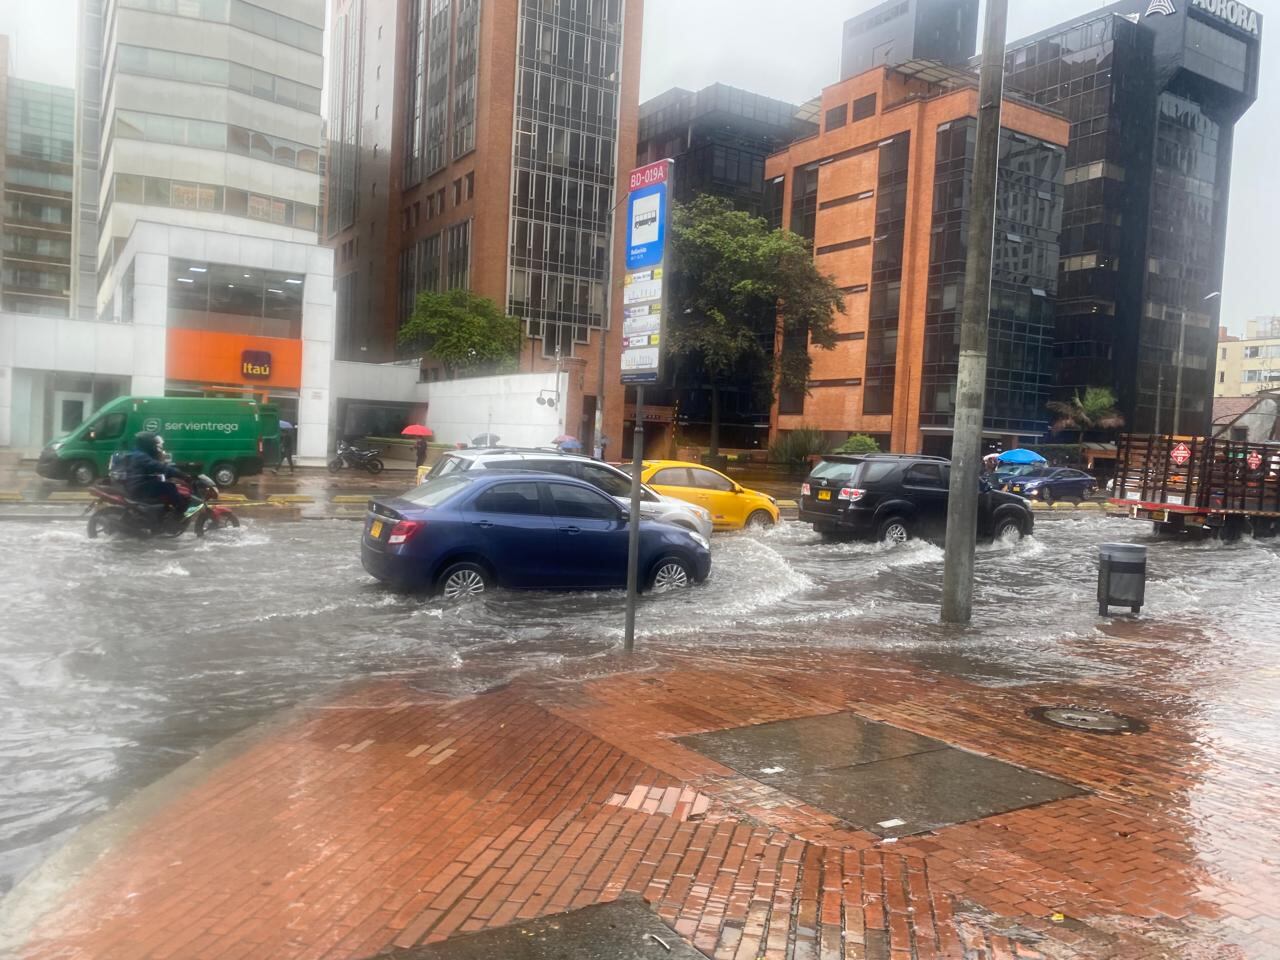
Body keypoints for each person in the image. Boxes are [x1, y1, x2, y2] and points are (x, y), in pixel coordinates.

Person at [120, 432, 192, 515]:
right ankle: (181, 512)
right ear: (147, 444)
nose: (156, 445)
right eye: (154, 443)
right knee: (170, 487)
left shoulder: (140, 453)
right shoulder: (141, 456)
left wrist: (176, 469)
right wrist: (181, 474)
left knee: (169, 485)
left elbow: (158, 466)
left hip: (138, 485)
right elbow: (158, 466)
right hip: (139, 487)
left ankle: (166, 512)